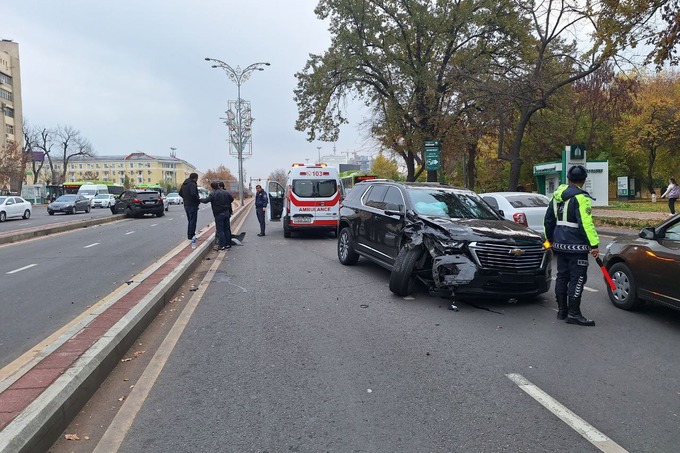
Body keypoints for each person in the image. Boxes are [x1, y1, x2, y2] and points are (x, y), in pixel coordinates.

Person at [544, 165, 599, 326]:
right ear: (583, 180)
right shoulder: (581, 197)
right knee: (578, 278)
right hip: (577, 246)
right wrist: (593, 244)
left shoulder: (556, 196)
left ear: (568, 179)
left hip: (559, 244)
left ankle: (562, 311)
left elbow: (548, 220)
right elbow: (586, 223)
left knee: (562, 276)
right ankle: (574, 313)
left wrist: (550, 239)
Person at [201, 181, 234, 251]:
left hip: (218, 214)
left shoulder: (213, 194)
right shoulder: (226, 192)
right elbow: (232, 199)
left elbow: (206, 201)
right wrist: (226, 204)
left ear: (212, 188)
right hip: (226, 213)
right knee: (227, 229)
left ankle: (222, 245)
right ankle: (228, 244)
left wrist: (198, 199)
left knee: (220, 230)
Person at [179, 172, 200, 241]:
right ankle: (192, 235)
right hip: (192, 205)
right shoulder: (192, 184)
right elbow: (194, 194)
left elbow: (180, 193)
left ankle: (189, 235)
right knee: (193, 221)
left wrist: (185, 198)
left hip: (186, 204)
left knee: (190, 220)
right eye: (197, 178)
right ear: (195, 178)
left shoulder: (184, 184)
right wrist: (198, 200)